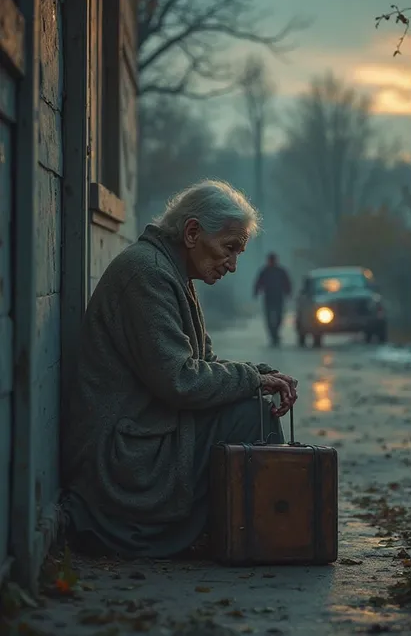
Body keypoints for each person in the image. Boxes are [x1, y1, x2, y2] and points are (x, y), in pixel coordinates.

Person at [61, 180, 298, 559]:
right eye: (229, 248)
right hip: (122, 458)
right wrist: (252, 380)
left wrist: (262, 375)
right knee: (249, 415)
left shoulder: (169, 271)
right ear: (192, 232)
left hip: (143, 432)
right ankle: (258, 533)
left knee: (252, 401)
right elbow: (181, 381)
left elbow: (201, 364)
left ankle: (253, 530)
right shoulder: (148, 274)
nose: (233, 265)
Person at [254, 253, 292, 346]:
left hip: (279, 297)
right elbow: (258, 282)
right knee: (269, 318)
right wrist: (256, 292)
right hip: (268, 298)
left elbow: (287, 282)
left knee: (279, 316)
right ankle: (273, 335)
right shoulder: (265, 271)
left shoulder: (281, 271)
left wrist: (288, 292)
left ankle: (276, 332)